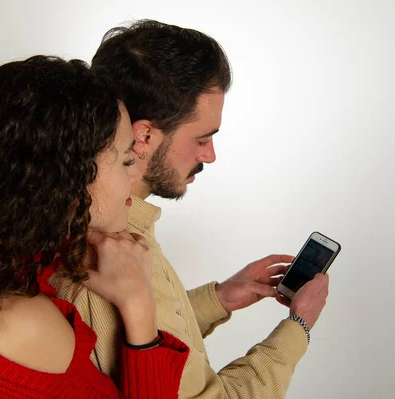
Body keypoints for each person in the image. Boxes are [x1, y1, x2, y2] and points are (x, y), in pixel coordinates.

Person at [50, 20, 330, 398]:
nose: (210, 156)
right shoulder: (114, 253)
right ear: (144, 136)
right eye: (202, 138)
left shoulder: (96, 218)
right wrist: (298, 327)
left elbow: (143, 341)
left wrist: (219, 299)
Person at [0, 55, 188, 399]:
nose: (136, 174)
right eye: (126, 159)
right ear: (66, 180)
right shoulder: (25, 323)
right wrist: (140, 306)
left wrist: (219, 299)